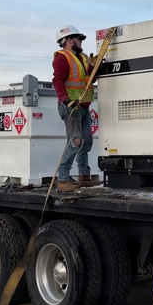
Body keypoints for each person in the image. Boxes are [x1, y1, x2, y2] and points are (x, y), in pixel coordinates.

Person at [52, 25, 95, 192]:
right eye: (79, 39)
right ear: (69, 41)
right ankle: (63, 178)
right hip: (70, 107)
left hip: (83, 105)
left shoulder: (83, 57)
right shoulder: (63, 58)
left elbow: (89, 80)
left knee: (86, 142)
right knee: (75, 141)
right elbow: (58, 80)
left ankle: (84, 175)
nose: (81, 42)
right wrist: (66, 100)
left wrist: (93, 67)